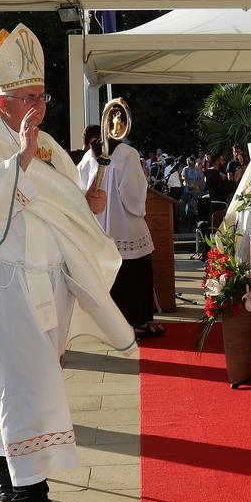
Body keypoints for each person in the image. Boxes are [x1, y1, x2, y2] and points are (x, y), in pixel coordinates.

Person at [0, 23, 132, 502]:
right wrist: (19, 159)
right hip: (9, 280)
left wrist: (87, 205)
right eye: (28, 98)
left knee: (28, 377)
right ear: (3, 102)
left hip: (51, 279)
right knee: (27, 383)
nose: (39, 107)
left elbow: (64, 205)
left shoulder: (49, 146)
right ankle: (30, 492)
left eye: (42, 97)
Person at [91, 107, 159, 340]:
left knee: (110, 276)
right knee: (134, 276)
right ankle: (136, 323)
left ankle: (110, 327)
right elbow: (134, 195)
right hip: (126, 226)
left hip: (100, 225)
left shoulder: (91, 154)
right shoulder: (128, 154)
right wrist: (141, 207)